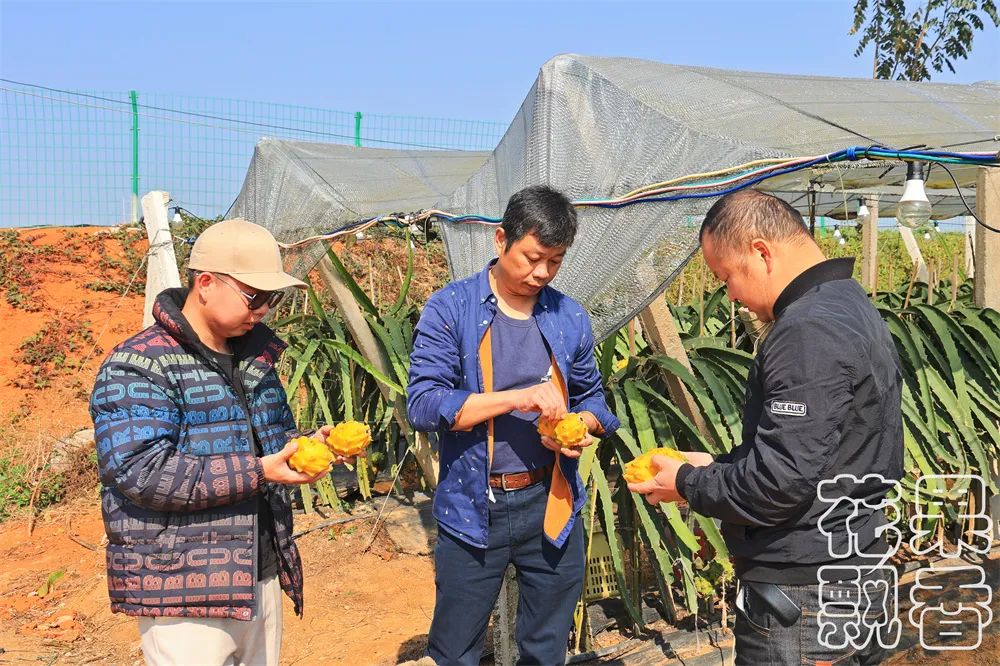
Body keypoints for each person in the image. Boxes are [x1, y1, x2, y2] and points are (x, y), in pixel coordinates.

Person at [628, 189, 904, 666]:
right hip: (854, 569)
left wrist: (687, 483)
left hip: (805, 599)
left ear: (760, 251)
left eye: (727, 277)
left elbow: (778, 484)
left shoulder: (806, 330)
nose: (731, 295)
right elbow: (819, 452)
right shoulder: (850, 304)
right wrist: (716, 464)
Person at [91, 218, 351, 666]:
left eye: (273, 299)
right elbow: (139, 471)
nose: (265, 309)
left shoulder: (255, 358)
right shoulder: (139, 365)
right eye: (255, 296)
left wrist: (310, 445)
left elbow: (270, 440)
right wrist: (260, 470)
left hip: (260, 570)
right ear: (206, 283)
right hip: (183, 587)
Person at [407, 185, 620, 665]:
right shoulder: (451, 309)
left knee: (546, 649)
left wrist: (579, 425)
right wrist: (515, 398)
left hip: (552, 502)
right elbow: (423, 404)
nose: (541, 273)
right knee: (456, 650)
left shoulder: (567, 316)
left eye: (556, 261)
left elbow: (596, 401)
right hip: (473, 506)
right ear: (500, 240)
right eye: (532, 257)